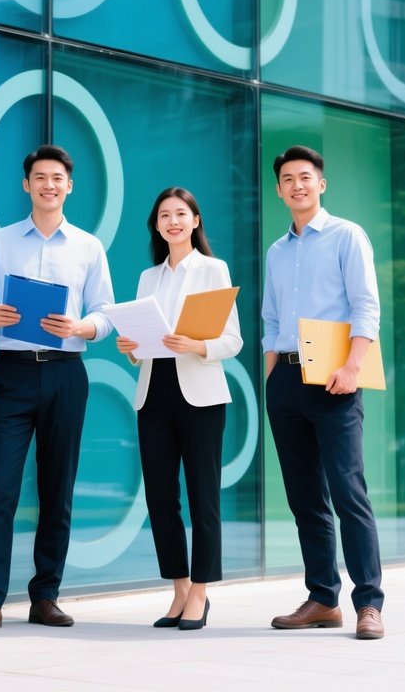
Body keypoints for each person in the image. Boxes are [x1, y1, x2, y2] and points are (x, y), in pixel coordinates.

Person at [0, 144, 114, 632]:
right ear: (26, 185)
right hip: (12, 372)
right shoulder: (1, 242)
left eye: (57, 178)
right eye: (39, 177)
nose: (49, 184)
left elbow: (106, 312)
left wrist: (80, 328)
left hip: (67, 373)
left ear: (70, 186)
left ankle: (46, 594)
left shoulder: (88, 246)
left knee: (57, 488)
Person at [262, 145, 385, 640]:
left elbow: (366, 307)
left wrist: (353, 366)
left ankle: (369, 604)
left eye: (305, 177)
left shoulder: (346, 235)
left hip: (335, 377)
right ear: (279, 189)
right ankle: (322, 597)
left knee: (347, 492)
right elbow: (271, 319)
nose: (297, 185)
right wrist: (271, 377)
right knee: (304, 498)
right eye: (288, 179)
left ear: (321, 184)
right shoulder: (276, 251)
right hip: (287, 380)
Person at [116, 187, 242, 631]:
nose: (173, 221)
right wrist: (129, 348)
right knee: (160, 498)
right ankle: (179, 590)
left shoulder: (213, 269)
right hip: (154, 394)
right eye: (164, 215)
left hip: (201, 395)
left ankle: (202, 594)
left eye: (181, 214)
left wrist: (198, 344)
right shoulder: (149, 277)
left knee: (202, 496)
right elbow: (142, 348)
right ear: (156, 224)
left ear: (195, 220)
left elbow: (233, 340)